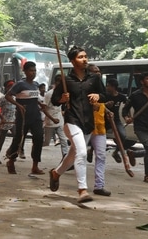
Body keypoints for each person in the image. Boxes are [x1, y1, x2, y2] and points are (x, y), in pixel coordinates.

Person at [48, 46, 106, 203]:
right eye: (81, 57)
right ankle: (82, 190)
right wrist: (62, 99)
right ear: (73, 61)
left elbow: (105, 95)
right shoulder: (66, 81)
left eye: (86, 56)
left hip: (88, 121)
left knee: (73, 153)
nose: (85, 59)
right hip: (72, 121)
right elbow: (54, 100)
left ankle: (56, 173)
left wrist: (97, 95)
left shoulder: (94, 79)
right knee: (81, 153)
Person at [4, 61, 45, 175]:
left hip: (35, 115)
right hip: (23, 116)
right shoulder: (20, 84)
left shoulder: (36, 84)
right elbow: (8, 96)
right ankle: (11, 161)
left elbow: (35, 98)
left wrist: (41, 105)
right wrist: (18, 105)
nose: (33, 73)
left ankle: (35, 166)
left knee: (39, 138)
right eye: (31, 70)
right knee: (19, 139)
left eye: (35, 70)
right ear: (25, 71)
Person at [122, 71, 148, 184]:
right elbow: (125, 110)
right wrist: (127, 118)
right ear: (142, 81)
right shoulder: (135, 95)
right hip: (140, 127)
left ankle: (133, 153)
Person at [86, 64, 111, 197]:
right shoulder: (85, 87)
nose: (98, 74)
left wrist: (107, 110)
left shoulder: (101, 91)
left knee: (101, 155)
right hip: (86, 125)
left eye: (99, 72)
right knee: (78, 154)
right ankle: (57, 172)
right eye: (95, 72)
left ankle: (99, 186)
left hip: (100, 127)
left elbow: (102, 102)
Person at [105, 78, 138, 163]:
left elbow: (128, 106)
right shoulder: (105, 96)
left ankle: (116, 152)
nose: (106, 87)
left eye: (108, 86)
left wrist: (129, 117)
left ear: (113, 87)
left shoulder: (121, 97)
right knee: (99, 137)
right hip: (104, 120)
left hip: (116, 120)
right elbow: (99, 106)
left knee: (122, 136)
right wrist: (106, 105)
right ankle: (91, 151)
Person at [42, 74, 68, 158]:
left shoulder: (62, 93)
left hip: (60, 120)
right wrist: (52, 119)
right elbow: (44, 109)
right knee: (46, 142)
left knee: (63, 140)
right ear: (57, 82)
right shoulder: (49, 94)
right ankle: (37, 146)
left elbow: (59, 106)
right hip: (50, 122)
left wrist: (61, 113)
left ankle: (65, 156)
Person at [0, 80, 16, 164]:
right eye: (10, 87)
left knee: (17, 138)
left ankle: (10, 152)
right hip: (4, 122)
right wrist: (1, 118)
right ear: (7, 88)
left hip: (12, 122)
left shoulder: (14, 98)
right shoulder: (3, 98)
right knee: (1, 140)